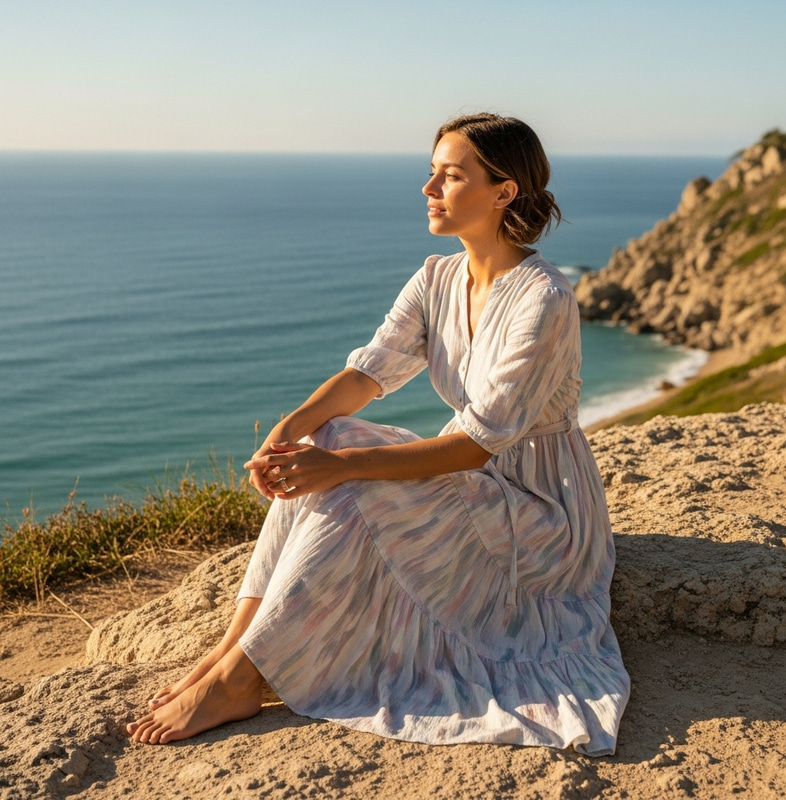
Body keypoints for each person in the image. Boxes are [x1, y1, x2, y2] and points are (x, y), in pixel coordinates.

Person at [127, 112, 630, 755]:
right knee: (331, 436)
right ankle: (234, 653)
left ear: (504, 193)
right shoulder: (437, 277)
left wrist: (343, 469)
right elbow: (368, 374)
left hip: (538, 511)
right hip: (475, 484)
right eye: (432, 173)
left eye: (451, 176)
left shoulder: (545, 299)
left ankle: (241, 676)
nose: (429, 189)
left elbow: (479, 444)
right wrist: (287, 431)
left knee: (349, 469)